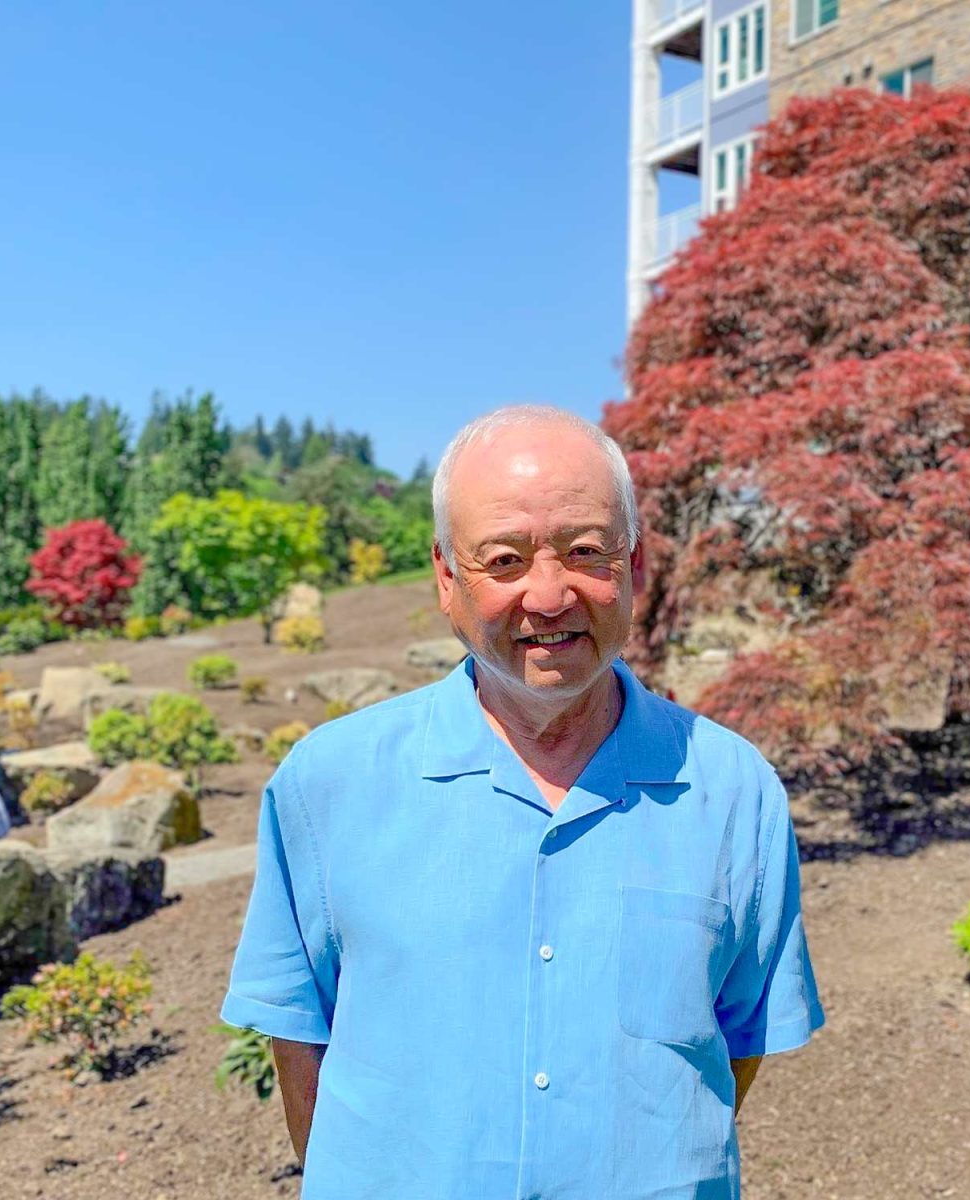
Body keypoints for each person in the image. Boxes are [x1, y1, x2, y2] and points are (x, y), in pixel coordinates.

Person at [222, 406, 825, 1199]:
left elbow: (738, 1040)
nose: (549, 595)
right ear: (446, 577)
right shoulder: (329, 782)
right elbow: (298, 1039)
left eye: (585, 552)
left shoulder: (732, 791)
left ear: (635, 566)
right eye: (504, 560)